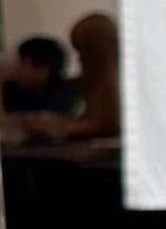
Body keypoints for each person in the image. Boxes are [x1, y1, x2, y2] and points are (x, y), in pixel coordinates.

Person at [21, 12, 119, 144]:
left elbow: (107, 125)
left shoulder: (122, 84)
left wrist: (60, 127)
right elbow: (90, 120)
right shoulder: (90, 84)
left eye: (84, 54)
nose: (80, 61)